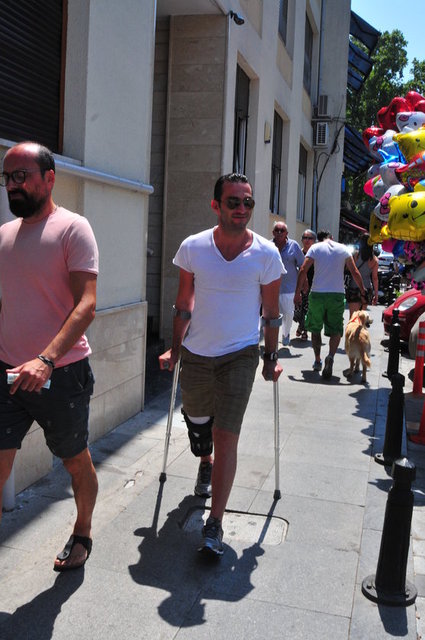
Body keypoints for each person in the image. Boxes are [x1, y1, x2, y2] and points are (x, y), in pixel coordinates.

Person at [159, 173, 284, 556]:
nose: (242, 208)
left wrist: (270, 358)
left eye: (248, 202)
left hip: (240, 354)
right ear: (216, 205)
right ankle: (205, 460)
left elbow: (271, 313)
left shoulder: (266, 254)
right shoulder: (193, 247)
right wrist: (175, 350)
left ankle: (214, 523)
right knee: (198, 423)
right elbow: (184, 303)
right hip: (197, 353)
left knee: (227, 433)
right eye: (234, 201)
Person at [0, 142, 99, 572]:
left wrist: (46, 359)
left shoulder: (74, 228)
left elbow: (87, 304)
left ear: (49, 178)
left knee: (74, 460)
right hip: (7, 371)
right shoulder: (4, 235)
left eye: (21, 176)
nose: (12, 185)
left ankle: (83, 531)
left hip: (62, 374)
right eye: (7, 177)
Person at [294, 230, 366, 379]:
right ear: (332, 238)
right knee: (336, 329)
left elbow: (303, 270)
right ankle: (331, 356)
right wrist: (363, 290)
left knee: (315, 329)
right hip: (337, 294)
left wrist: (297, 293)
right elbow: (354, 271)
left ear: (319, 240)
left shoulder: (315, 248)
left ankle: (317, 360)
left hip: (317, 293)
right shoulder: (343, 249)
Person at [272, 221, 304, 346]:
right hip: (271, 287)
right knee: (272, 315)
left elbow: (302, 266)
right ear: (273, 232)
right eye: (277, 230)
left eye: (282, 230)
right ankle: (272, 339)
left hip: (289, 288)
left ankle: (285, 334)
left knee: (288, 314)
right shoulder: (268, 246)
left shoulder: (293, 246)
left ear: (287, 233)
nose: (279, 232)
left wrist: (302, 286)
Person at [346, 233, 379, 318]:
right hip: (367, 288)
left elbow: (349, 269)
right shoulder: (374, 260)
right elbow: (375, 278)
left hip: (353, 287)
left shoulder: (355, 255)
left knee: (352, 318)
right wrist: (376, 294)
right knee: (361, 318)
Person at [295, 229, 316, 340]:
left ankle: (305, 330)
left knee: (307, 308)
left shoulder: (316, 254)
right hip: (298, 284)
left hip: (312, 285)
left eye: (310, 238)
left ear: (314, 240)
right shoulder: (298, 253)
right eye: (305, 238)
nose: (307, 240)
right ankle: (301, 325)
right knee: (298, 309)